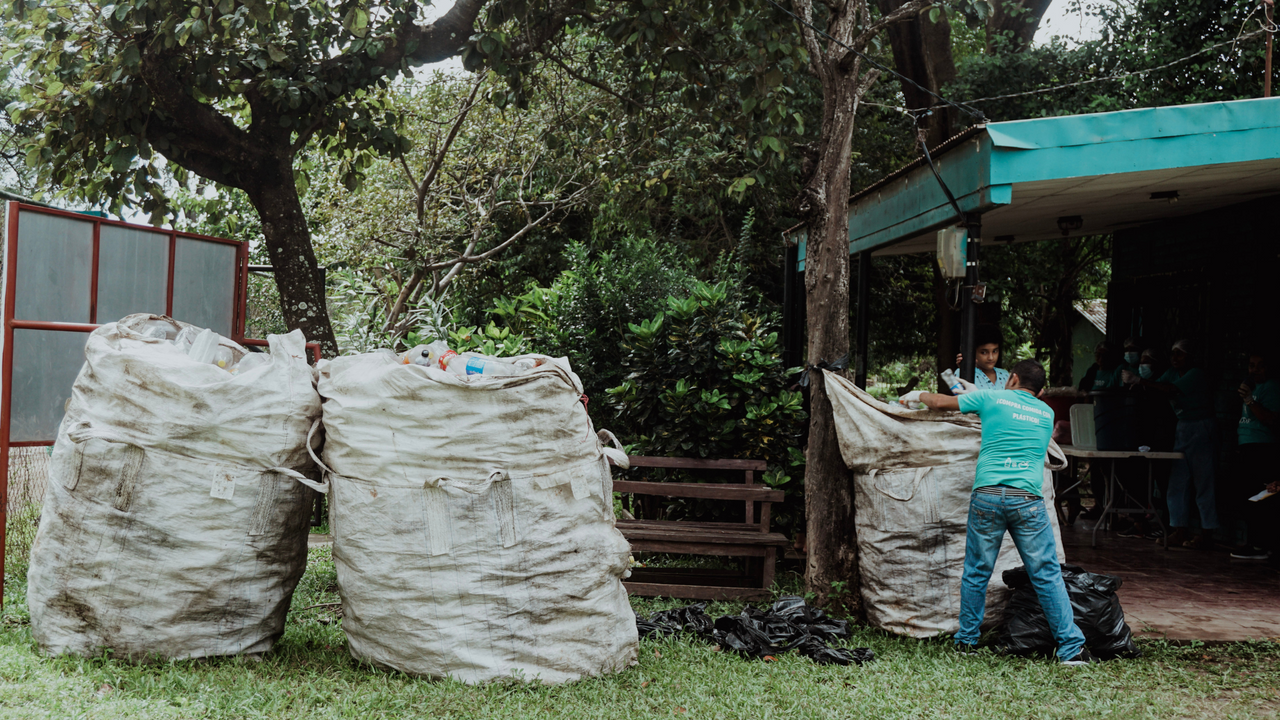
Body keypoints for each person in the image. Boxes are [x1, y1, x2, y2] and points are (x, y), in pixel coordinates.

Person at [899, 358, 1093, 665]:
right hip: (1027, 500)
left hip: (988, 496)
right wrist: (981, 394)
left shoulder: (992, 398)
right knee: (1046, 574)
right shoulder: (1045, 411)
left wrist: (915, 396)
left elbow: (939, 402)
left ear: (1012, 378)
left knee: (977, 572)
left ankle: (966, 641)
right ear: (1040, 391)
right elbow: (1016, 412)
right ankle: (1071, 649)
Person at [1129, 339, 1218, 550]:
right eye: (1173, 354)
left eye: (1180, 354)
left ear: (1190, 357)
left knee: (1204, 482)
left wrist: (1141, 381)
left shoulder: (1195, 374)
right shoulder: (1171, 372)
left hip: (1201, 427)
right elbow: (1157, 387)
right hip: (1183, 427)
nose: (1175, 358)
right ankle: (1179, 530)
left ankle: (1207, 533)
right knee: (1177, 482)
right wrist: (1138, 381)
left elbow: (1169, 389)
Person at [1230, 350, 1280, 561]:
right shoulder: (1250, 387)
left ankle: (1261, 545)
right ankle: (1254, 542)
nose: (1255, 370)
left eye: (1260, 365)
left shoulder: (1272, 388)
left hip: (1263, 447)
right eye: (1251, 365)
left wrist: (1251, 401)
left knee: (1261, 498)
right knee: (1245, 496)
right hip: (1246, 446)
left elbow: (1270, 418)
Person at [955, 324, 1010, 390]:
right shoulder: (963, 373)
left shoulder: (1005, 375)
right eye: (984, 352)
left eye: (995, 351)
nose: (991, 357)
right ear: (973, 352)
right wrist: (964, 370)